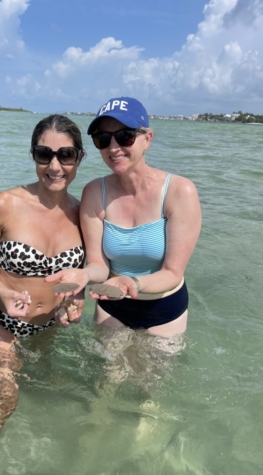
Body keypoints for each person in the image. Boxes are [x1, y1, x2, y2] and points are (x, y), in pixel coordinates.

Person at [0, 114, 85, 475]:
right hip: (1, 326)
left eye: (65, 155)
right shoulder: (4, 204)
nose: (54, 166)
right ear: (33, 155)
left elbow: (81, 277)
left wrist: (74, 303)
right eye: (43, 153)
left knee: (48, 382)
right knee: (7, 400)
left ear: (79, 158)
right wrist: (2, 289)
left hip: (48, 327)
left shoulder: (82, 213)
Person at [46, 96, 201, 338]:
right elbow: (98, 264)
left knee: (151, 376)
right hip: (112, 305)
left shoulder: (179, 191)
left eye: (125, 136)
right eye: (103, 139)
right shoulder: (95, 192)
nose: (113, 147)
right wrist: (84, 275)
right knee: (108, 375)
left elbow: (173, 272)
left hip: (163, 307)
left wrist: (132, 283)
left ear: (147, 139)